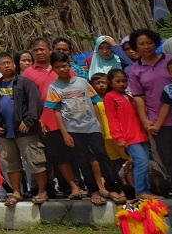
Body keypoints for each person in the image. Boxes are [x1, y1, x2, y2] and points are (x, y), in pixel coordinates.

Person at [46, 52, 123, 205]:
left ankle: (112, 188)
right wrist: (64, 133)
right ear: (53, 69)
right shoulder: (54, 87)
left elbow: (95, 102)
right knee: (83, 160)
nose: (62, 69)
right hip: (73, 129)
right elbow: (57, 111)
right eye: (57, 67)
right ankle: (93, 190)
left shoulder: (82, 82)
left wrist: (100, 125)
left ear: (69, 65)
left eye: (64, 66)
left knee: (103, 157)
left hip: (92, 127)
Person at [128, 28, 172, 195]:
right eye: (141, 44)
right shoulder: (135, 70)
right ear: (135, 47)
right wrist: (145, 120)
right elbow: (139, 97)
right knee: (171, 158)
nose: (146, 47)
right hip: (158, 121)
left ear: (156, 43)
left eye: (149, 43)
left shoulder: (171, 62)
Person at [0, 53, 49, 206]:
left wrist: (29, 121)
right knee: (10, 163)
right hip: (6, 134)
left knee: (35, 161)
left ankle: (43, 191)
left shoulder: (25, 83)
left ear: (15, 65)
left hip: (26, 131)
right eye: (3, 63)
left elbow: (35, 103)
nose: (7, 65)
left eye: (9, 62)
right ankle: (17, 192)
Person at [24, 37, 81, 199]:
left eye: (42, 49)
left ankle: (91, 186)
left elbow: (77, 87)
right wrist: (38, 120)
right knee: (58, 156)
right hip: (47, 121)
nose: (39, 52)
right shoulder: (29, 73)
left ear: (50, 49)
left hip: (73, 117)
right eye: (35, 50)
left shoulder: (62, 66)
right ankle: (71, 187)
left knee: (80, 153)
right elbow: (30, 100)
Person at [104, 68, 158, 199]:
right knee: (141, 162)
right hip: (128, 136)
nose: (122, 84)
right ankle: (140, 191)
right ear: (110, 83)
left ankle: (146, 190)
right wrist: (119, 137)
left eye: (124, 81)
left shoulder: (129, 96)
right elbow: (112, 118)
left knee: (144, 163)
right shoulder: (110, 97)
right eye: (118, 81)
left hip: (140, 134)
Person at [90, 72, 127, 176]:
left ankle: (131, 183)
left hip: (120, 134)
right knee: (114, 160)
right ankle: (123, 184)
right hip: (106, 136)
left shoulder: (115, 97)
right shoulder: (94, 102)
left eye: (103, 82)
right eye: (97, 83)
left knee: (126, 158)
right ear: (92, 85)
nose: (101, 85)